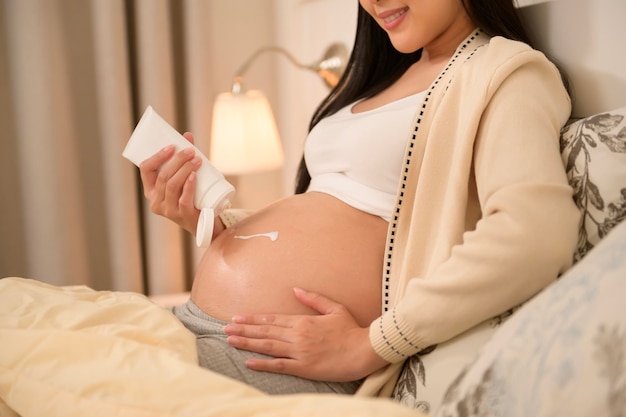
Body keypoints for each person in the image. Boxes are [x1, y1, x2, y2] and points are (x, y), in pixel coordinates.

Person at [138, 0, 579, 403]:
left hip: (282, 361)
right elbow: (338, 210)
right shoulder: (380, 79)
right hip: (197, 322)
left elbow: (533, 232)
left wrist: (372, 344)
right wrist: (212, 222)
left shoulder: (503, 71)